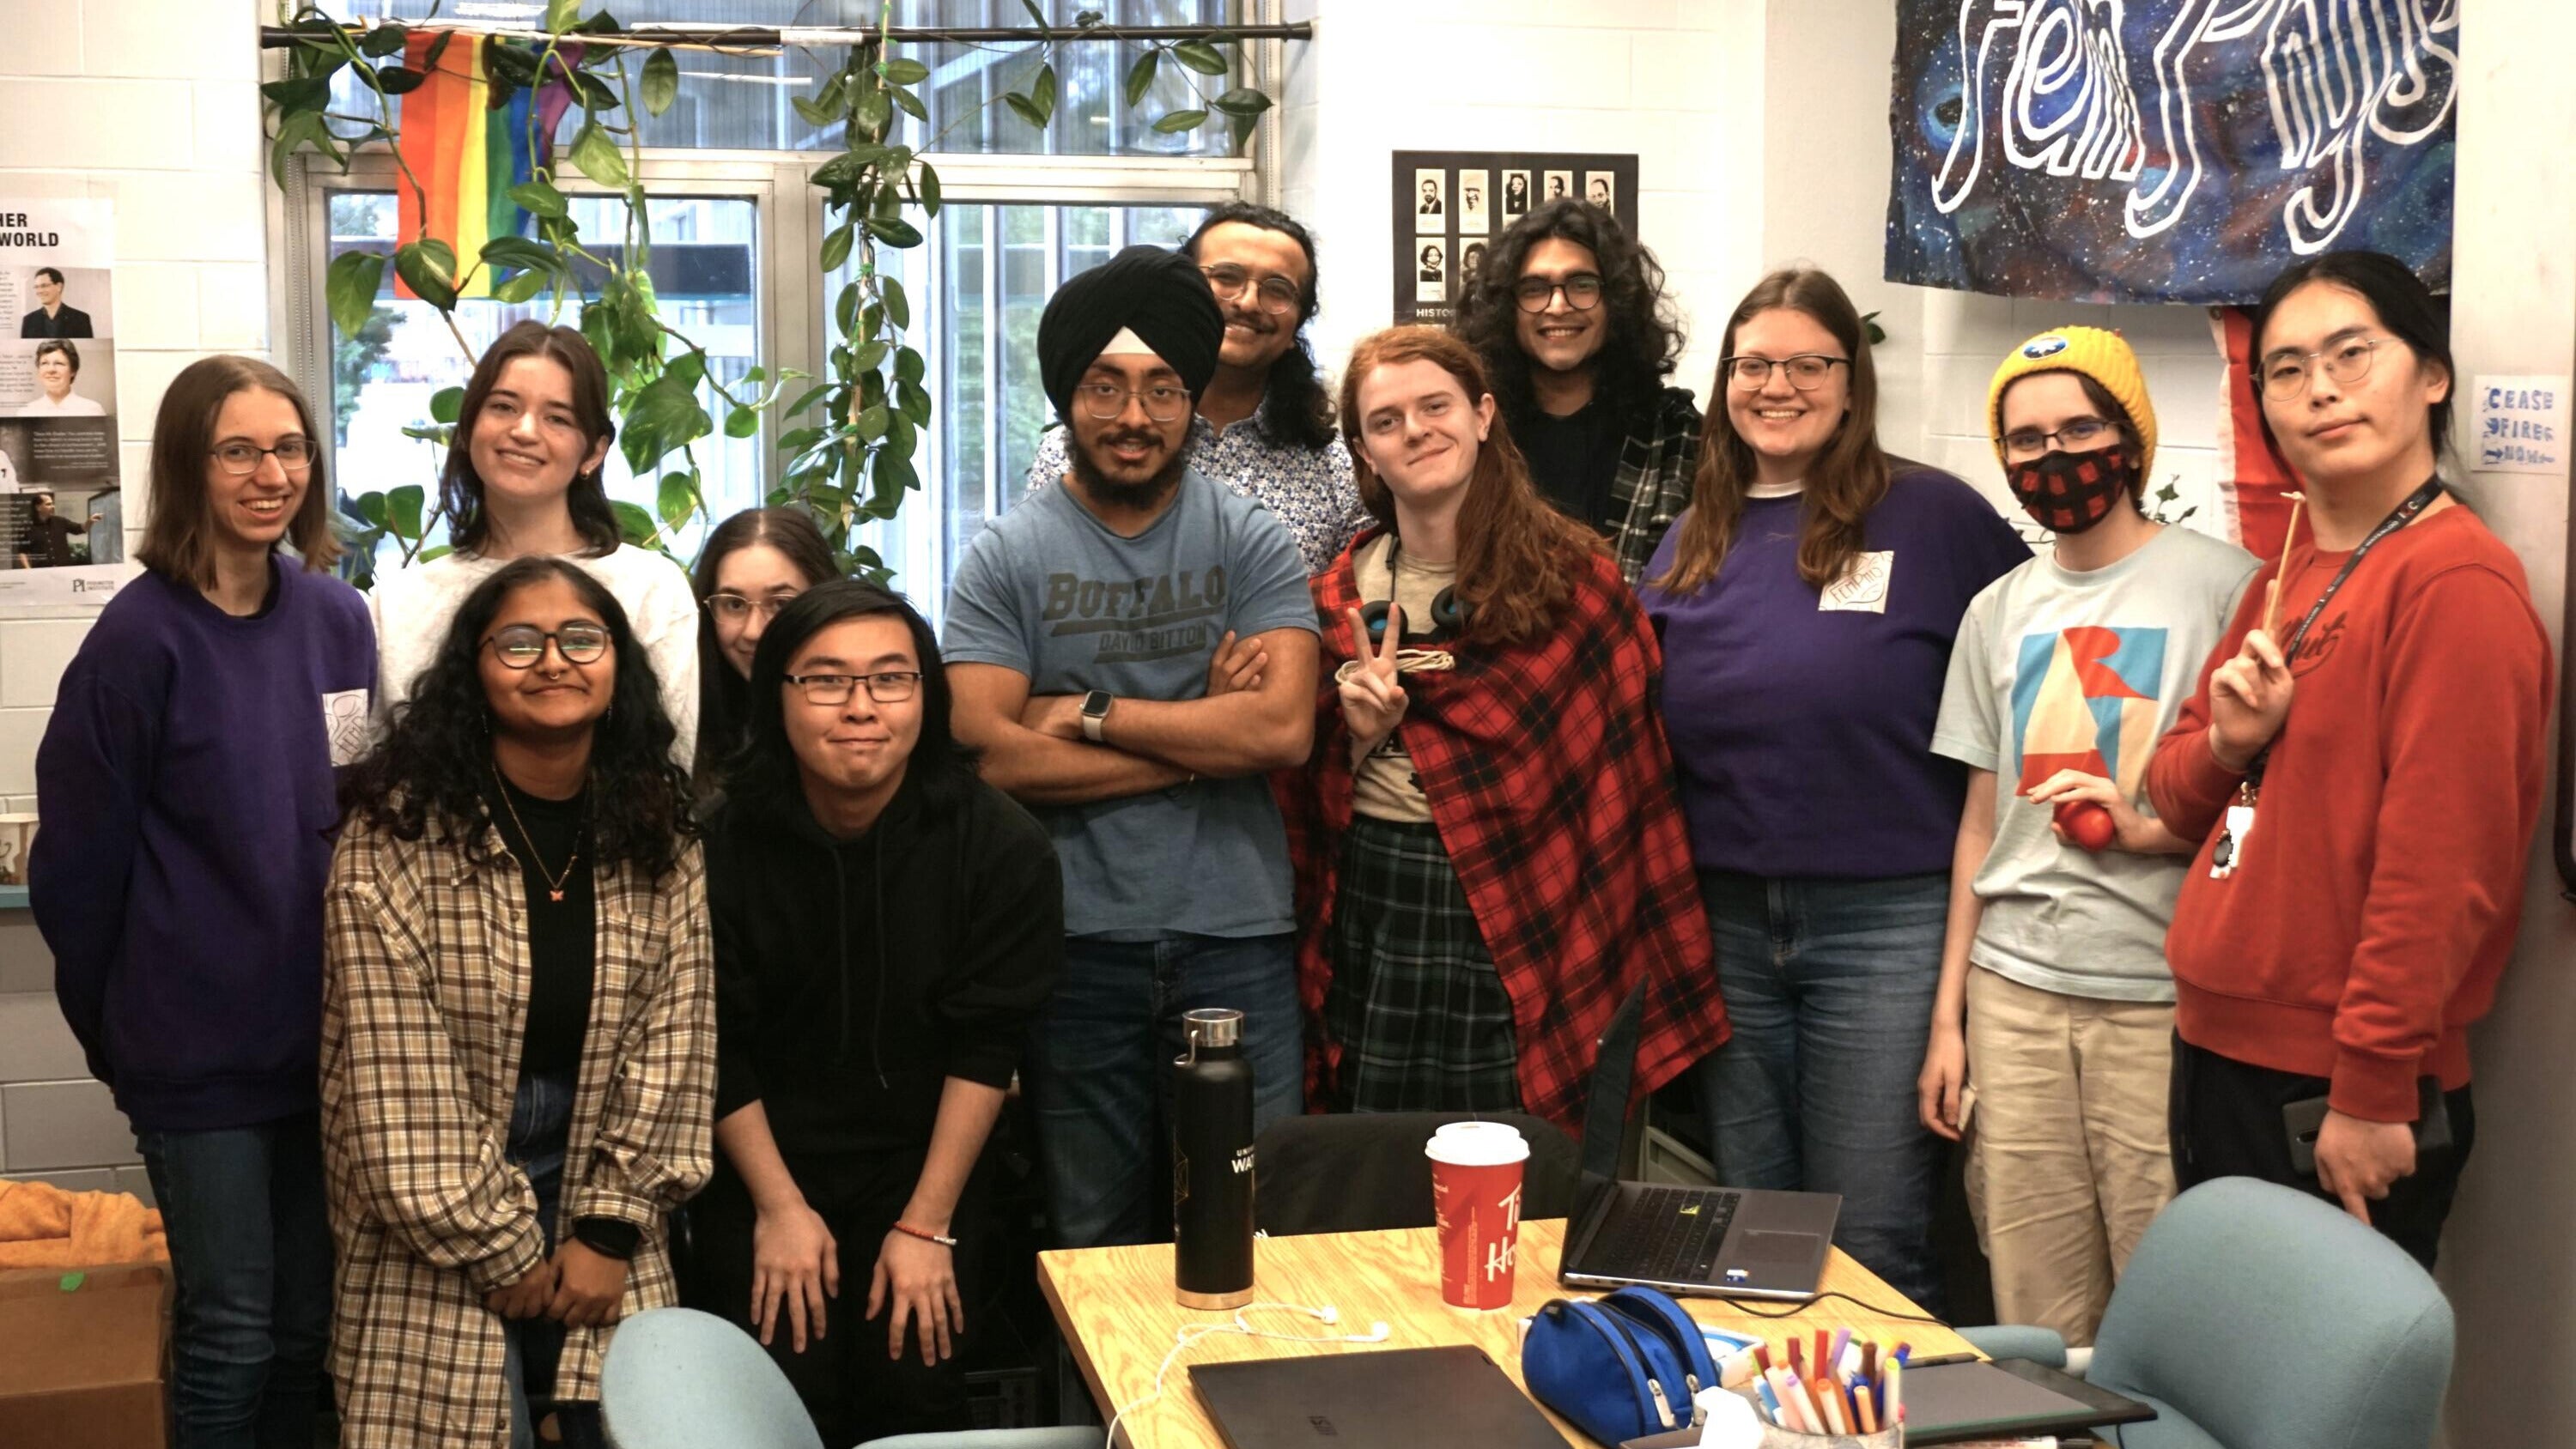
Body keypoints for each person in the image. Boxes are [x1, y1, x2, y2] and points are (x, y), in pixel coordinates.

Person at [2146, 252, 2550, 1270]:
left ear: (2432, 375)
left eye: (2351, 353)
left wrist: (2373, 1090)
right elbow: (2186, 790)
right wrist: (2237, 744)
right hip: (2221, 1049)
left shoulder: (2454, 580)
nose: (2319, 387)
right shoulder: (2291, 570)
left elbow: (2443, 869)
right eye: (2285, 369)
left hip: (2332, 1084)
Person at [1638, 266, 2029, 1310]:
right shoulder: (1693, 537)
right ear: (1724, 382)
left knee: (1872, 1230)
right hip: (1725, 920)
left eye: (1807, 363)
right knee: (1756, 1227)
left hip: (1887, 921)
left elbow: (2036, 661)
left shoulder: (1935, 515)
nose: (1778, 384)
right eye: (1753, 363)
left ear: (1851, 383)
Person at [944, 243, 1321, 1248]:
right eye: (1105, 386)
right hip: (1076, 943)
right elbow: (985, 754)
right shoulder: (1006, 552)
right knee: (1091, 1235)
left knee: (1254, 1227)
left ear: (1194, 399)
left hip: (1236, 934)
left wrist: (1087, 711)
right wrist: (1204, 736)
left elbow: (1282, 727)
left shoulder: (1253, 538)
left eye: (1162, 388)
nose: (1134, 415)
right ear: (1068, 394)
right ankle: (1105, 1418)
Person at [31, 356, 371, 1449]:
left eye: (288, 448)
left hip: (323, 1048)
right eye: (239, 449)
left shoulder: (336, 620)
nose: (271, 473)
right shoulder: (138, 642)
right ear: (188, 464)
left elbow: (358, 803)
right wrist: (123, 1039)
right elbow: (76, 875)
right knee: (231, 1327)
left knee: (309, 1328)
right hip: (195, 1056)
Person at [1280, 325, 1723, 1121]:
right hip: (1380, 897)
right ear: (1363, 451)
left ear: (1483, 415)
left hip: (1532, 906)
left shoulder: (1574, 583)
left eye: (1436, 406)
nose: (1415, 430)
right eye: (1386, 421)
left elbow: (1623, 792)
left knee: (1508, 1158)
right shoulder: (1331, 600)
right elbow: (1293, 790)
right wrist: (1355, 737)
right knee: (1378, 1157)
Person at [321, 556, 714, 1449]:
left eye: (582, 637)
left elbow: (676, 1038)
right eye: (519, 642)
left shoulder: (658, 829)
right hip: (432, 1194)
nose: (553, 661)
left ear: (618, 666)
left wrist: (610, 1231)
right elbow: (396, 1083)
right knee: (444, 1421)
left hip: (606, 1172)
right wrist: (501, 1248)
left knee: (621, 1421)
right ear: (474, 671)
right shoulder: (393, 838)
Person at [1917, 328, 2257, 1343]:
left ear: (2130, 437)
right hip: (2013, 998)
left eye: (2079, 427)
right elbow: (1980, 822)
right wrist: (1949, 1022)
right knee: (2035, 1302)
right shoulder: (1996, 611)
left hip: (2161, 1003)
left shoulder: (2227, 588)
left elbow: (2258, 802)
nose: (2051, 457)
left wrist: (2153, 832)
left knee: (2170, 1305)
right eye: (2025, 439)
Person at [693, 580, 1062, 1444]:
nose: (861, 707)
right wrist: (780, 1209)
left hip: (928, 1161)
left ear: (927, 697)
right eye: (825, 680)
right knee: (776, 1393)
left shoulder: (1000, 844)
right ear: (774, 695)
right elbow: (714, 1042)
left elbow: (987, 1043)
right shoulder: (717, 845)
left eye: (891, 679)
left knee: (914, 1381)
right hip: (763, 1162)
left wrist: (925, 1222)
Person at [369, 321, 699, 762]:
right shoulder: (398, 603)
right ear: (468, 428)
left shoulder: (651, 588)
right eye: (504, 407)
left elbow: (671, 764)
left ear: (594, 452)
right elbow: (386, 773)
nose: (525, 431)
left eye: (557, 418)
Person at [1023, 203, 1366, 576]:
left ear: (1299, 322)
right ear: (1182, 297)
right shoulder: (1075, 450)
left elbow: (1353, 608)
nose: (1249, 302)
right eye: (1227, 277)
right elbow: (1036, 583)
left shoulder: (1338, 468)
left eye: (1278, 289)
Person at [1453, 198, 1698, 584]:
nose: (1558, 306)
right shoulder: (1476, 432)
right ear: (1506, 307)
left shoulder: (1674, 434)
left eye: (1582, 285)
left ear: (1616, 301)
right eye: (1534, 289)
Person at [690, 506, 838, 789]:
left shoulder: (861, 717)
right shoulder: (686, 726)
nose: (754, 631)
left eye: (780, 604)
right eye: (734, 605)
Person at [18, 338, 106, 415]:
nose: (51, 370)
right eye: (44, 363)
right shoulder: (25, 412)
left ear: (73, 371)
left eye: (59, 363)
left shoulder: (93, 410)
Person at [16, 488, 97, 567]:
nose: (53, 506)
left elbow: (80, 529)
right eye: (48, 504)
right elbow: (22, 552)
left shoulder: (60, 521)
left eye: (52, 503)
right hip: (42, 572)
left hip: (64, 570)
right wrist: (28, 571)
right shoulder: (26, 527)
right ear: (38, 508)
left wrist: (89, 522)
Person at [21, 266, 95, 337]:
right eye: (36, 287)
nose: (39, 291)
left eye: (44, 286)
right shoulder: (28, 321)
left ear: (59, 287)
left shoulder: (81, 319)